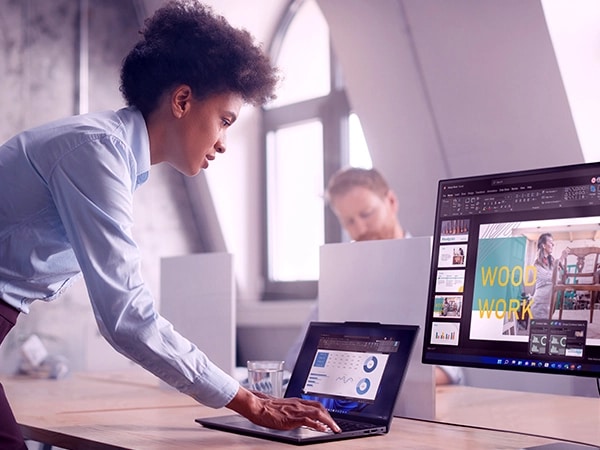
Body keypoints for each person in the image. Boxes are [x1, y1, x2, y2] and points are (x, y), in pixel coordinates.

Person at [0, 2, 340, 448]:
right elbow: (125, 317)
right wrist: (249, 403)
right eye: (225, 120)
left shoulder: (111, 153)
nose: (223, 143)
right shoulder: (97, 152)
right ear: (182, 100)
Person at [285, 167, 463, 386]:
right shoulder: (341, 278)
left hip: (423, 404)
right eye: (349, 221)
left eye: (367, 214)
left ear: (391, 201)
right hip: (352, 399)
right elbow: (297, 359)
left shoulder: (437, 268)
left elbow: (449, 370)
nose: (360, 229)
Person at [531, 233, 563, 320]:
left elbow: (557, 279)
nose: (553, 244)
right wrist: (561, 260)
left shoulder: (551, 261)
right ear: (543, 245)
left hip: (549, 303)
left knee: (546, 329)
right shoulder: (537, 263)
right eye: (550, 242)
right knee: (537, 330)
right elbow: (552, 278)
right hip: (539, 304)